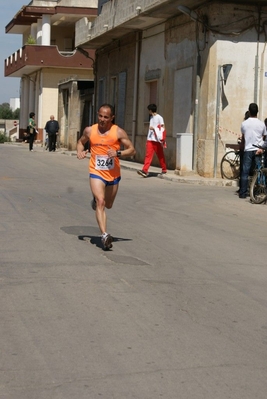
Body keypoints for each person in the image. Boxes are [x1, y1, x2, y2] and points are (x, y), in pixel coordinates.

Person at [76, 104, 136, 250]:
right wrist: (80, 152)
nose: (102, 119)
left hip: (113, 174)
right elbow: (80, 142)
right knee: (101, 201)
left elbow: (132, 150)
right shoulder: (90, 130)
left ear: (112, 118)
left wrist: (118, 153)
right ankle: (104, 235)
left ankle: (96, 202)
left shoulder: (118, 132)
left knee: (108, 204)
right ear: (98, 114)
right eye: (100, 116)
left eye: (106, 117)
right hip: (96, 171)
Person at [239, 103, 267, 198]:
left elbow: (243, 137)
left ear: (249, 111)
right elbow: (264, 136)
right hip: (258, 149)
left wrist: (242, 146)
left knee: (245, 172)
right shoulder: (261, 124)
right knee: (259, 171)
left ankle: (243, 193)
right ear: (257, 112)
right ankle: (259, 192)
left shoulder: (244, 123)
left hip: (248, 149)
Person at [137, 103, 167, 177]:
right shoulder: (151, 118)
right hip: (150, 139)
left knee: (160, 155)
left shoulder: (160, 117)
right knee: (148, 155)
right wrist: (147, 140)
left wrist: (154, 129)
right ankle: (145, 170)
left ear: (151, 110)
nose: (148, 112)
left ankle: (164, 169)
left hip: (157, 140)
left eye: (149, 110)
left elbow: (163, 128)